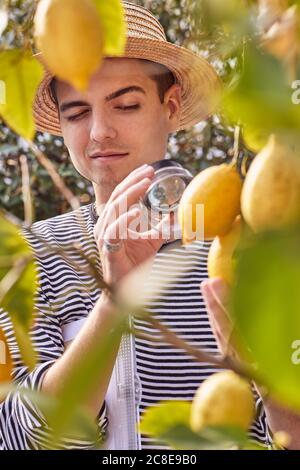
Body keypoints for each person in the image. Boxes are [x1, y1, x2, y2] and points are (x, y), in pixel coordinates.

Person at [1, 0, 299, 451]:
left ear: (171, 107)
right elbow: (24, 437)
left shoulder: (234, 248)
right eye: (77, 113)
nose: (99, 131)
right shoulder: (35, 253)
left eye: (125, 105)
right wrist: (113, 304)